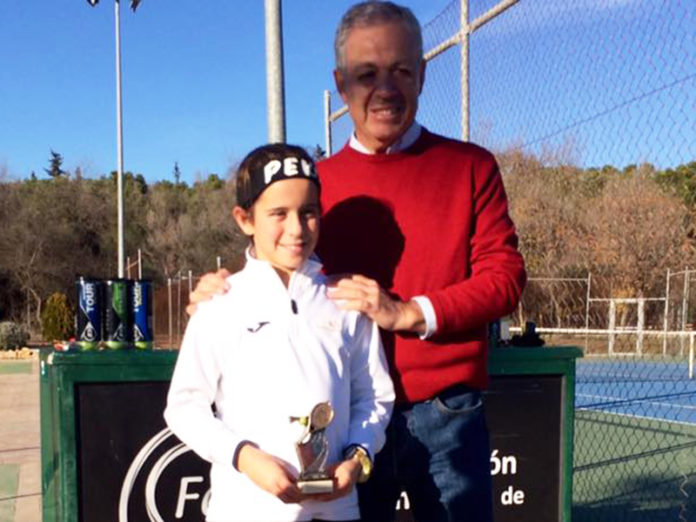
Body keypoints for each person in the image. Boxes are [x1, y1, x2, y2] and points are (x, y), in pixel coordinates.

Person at [188, 2, 526, 521]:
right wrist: (226, 286)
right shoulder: (318, 185)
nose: (385, 89)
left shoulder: (471, 167)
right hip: (339, 427)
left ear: (423, 74)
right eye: (367, 74)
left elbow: (504, 279)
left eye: (401, 71)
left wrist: (408, 312)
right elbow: (285, 259)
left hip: (445, 414)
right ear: (341, 83)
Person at [165, 143, 395, 522]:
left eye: (308, 213)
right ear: (245, 219)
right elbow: (185, 407)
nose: (296, 229)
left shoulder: (346, 302)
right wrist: (245, 457)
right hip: (244, 510)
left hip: (335, 511)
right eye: (278, 213)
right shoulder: (220, 305)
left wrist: (357, 457)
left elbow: (373, 398)